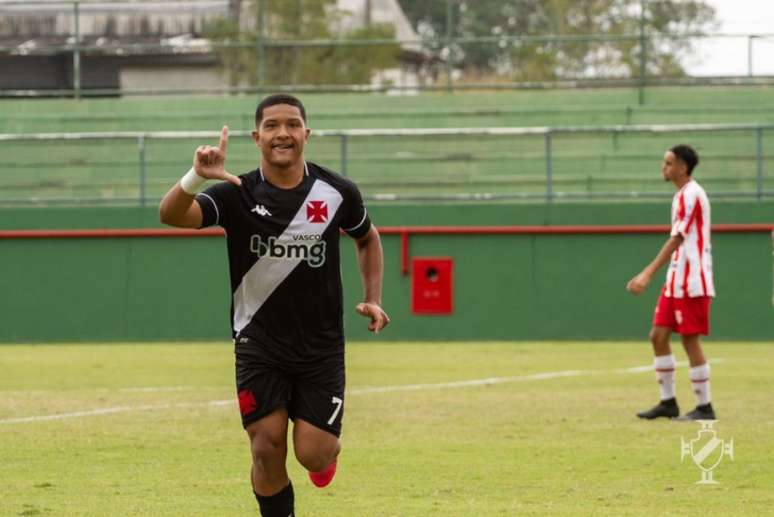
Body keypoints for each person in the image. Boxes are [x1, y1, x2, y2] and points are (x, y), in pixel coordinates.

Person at [159, 93, 390, 517]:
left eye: (291, 124)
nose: (282, 133)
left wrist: (372, 299)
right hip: (258, 344)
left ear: (306, 133)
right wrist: (195, 176)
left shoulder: (337, 192)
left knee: (313, 455)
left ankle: (325, 458)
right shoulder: (236, 193)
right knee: (265, 446)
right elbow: (172, 215)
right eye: (271, 126)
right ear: (256, 136)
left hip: (320, 347)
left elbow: (367, 238)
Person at [626, 144, 716, 421]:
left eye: (668, 163)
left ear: (682, 167)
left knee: (690, 340)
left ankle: (705, 407)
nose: (663, 168)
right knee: (658, 336)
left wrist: (647, 273)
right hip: (676, 279)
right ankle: (668, 403)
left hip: (692, 280)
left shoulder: (692, 195)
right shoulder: (680, 196)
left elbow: (678, 238)